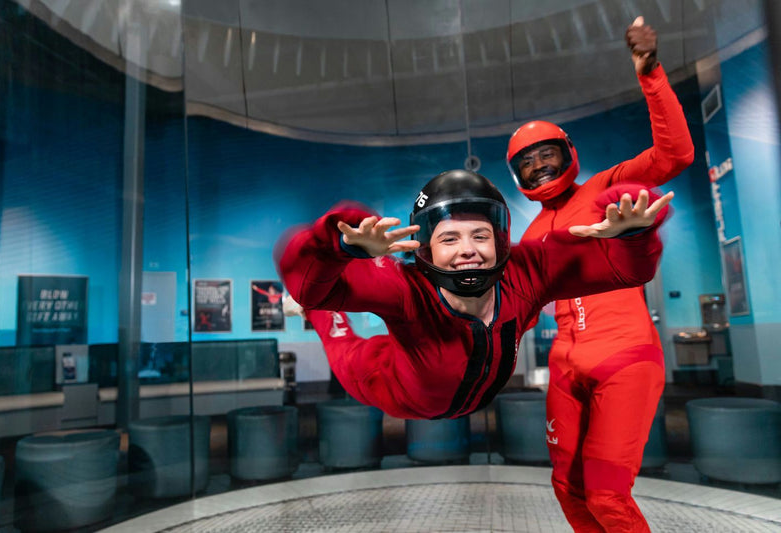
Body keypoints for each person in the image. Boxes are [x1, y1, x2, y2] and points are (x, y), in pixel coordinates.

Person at [275, 168, 673, 421]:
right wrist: (335, 247)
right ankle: (313, 315)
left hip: (463, 389)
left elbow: (624, 271)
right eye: (450, 238)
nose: (468, 249)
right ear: (427, 250)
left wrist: (635, 233)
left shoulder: (526, 271)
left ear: (499, 242)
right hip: (387, 381)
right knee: (331, 324)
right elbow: (308, 279)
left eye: (480, 235)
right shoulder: (405, 289)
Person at [504, 16, 694, 533]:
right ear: (518, 176)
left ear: (569, 154)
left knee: (609, 496)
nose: (540, 167)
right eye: (528, 163)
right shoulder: (530, 237)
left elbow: (675, 154)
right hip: (566, 366)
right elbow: (512, 312)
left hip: (625, 359)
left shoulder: (606, 187)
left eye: (548, 155)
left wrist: (650, 72)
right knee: (568, 488)